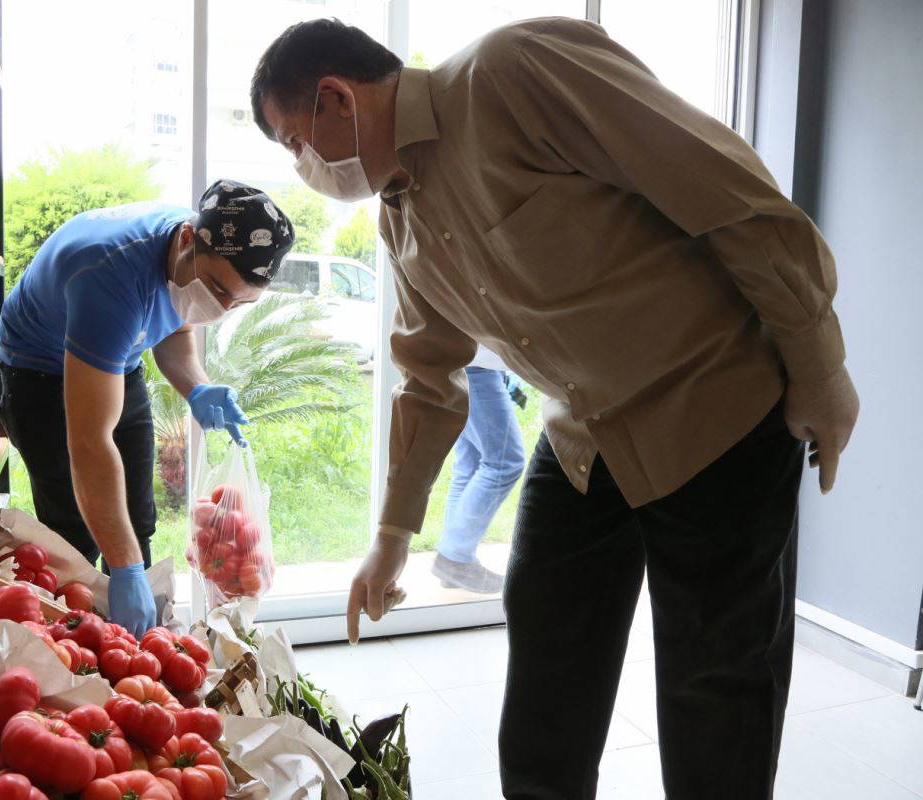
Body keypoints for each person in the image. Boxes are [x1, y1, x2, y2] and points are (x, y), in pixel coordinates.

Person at [250, 17, 859, 800]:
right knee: (545, 666)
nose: (302, 167)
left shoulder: (513, 75)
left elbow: (730, 194)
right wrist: (393, 537)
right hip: (584, 437)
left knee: (717, 689)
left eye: (293, 142)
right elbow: (428, 381)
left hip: (716, 410)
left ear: (337, 97)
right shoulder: (401, 221)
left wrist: (821, 369)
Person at [0, 180, 294, 636]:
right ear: (186, 240)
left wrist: (197, 387)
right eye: (216, 289)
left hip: (116, 352)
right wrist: (125, 569)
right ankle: (78, 647)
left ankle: (139, 644)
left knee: (138, 516)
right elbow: (90, 443)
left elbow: (177, 321)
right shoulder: (108, 277)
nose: (220, 308)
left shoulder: (195, 259)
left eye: (238, 302)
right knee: (73, 532)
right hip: (39, 370)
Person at [434, 345, 526, 594]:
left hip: (470, 363)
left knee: (470, 462)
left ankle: (453, 561)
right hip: (475, 365)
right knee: (505, 461)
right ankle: (455, 557)